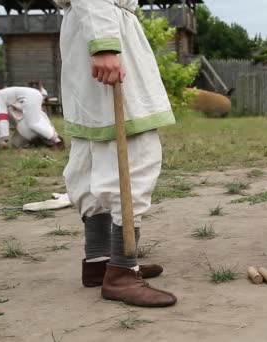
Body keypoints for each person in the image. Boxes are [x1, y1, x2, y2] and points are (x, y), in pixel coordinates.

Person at [57, 0, 177, 307]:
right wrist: (104, 45)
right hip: (103, 27)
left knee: (93, 148)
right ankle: (122, 271)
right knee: (134, 149)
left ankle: (100, 260)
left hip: (92, 26)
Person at [0, 86, 64, 150]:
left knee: (33, 124)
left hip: (26, 120)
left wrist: (4, 139)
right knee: (15, 143)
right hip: (31, 115)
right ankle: (45, 141)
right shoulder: (5, 100)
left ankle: (57, 141)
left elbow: (1, 119)